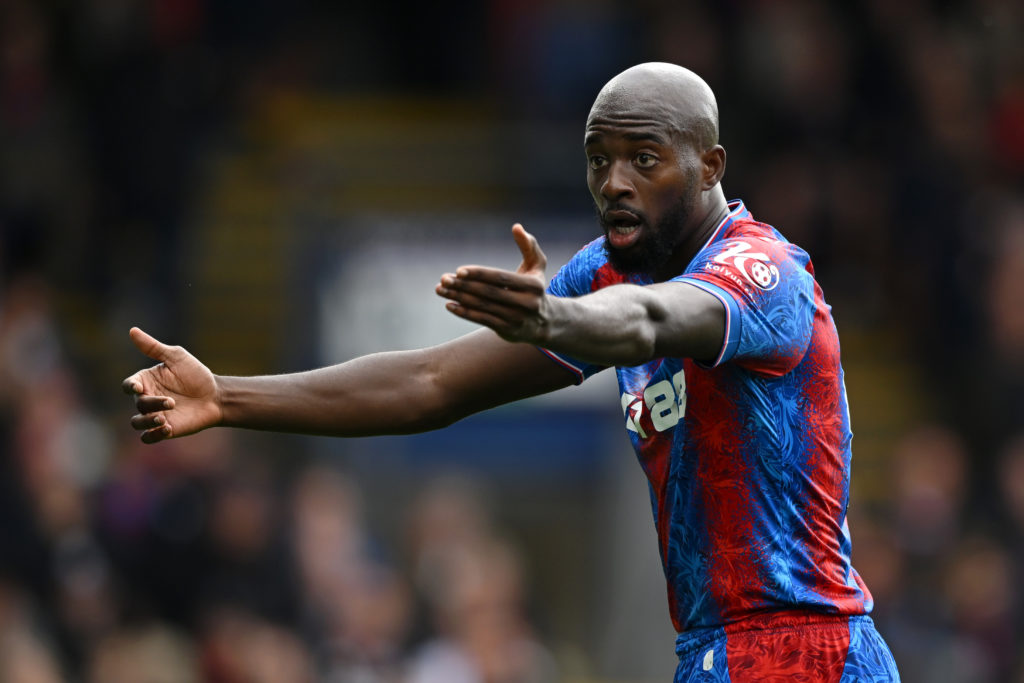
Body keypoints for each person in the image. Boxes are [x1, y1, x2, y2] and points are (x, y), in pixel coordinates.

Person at [124, 63, 901, 681]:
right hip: (709, 652)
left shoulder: (762, 273)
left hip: (810, 652)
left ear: (711, 165)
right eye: (599, 160)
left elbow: (654, 321)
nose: (614, 182)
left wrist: (554, 321)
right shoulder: (606, 274)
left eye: (644, 158)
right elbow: (429, 382)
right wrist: (225, 396)